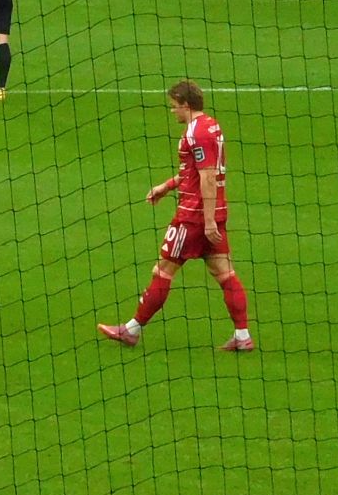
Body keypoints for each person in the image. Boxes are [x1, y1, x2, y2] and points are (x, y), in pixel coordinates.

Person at [98, 80, 253, 351]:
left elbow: (206, 177)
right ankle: (242, 336)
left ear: (186, 104)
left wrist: (205, 222)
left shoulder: (195, 133)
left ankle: (131, 330)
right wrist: (166, 186)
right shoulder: (212, 126)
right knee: (225, 273)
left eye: (174, 106)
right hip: (216, 211)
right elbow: (195, 172)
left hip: (193, 217)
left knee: (163, 270)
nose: (173, 112)